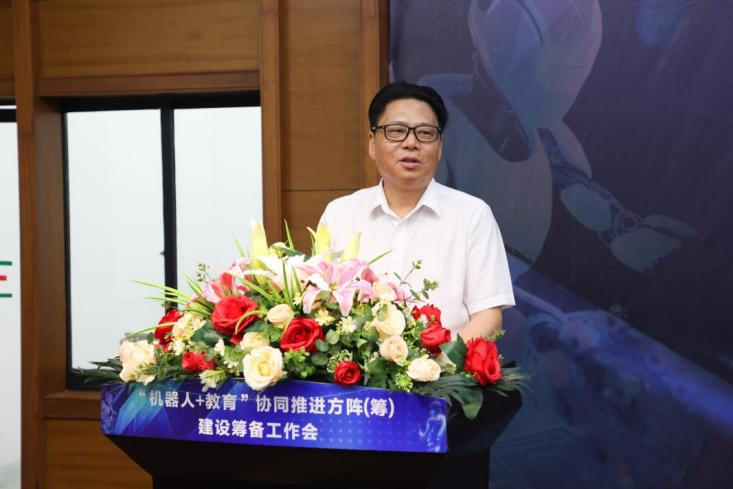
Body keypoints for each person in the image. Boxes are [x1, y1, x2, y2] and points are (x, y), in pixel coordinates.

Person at [319, 81, 514, 340]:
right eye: (397, 131)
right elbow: (321, 304)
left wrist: (441, 362)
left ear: (440, 146)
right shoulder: (340, 214)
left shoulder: (472, 215)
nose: (411, 143)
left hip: (447, 364)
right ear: (372, 144)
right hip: (355, 366)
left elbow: (488, 315)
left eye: (425, 133)